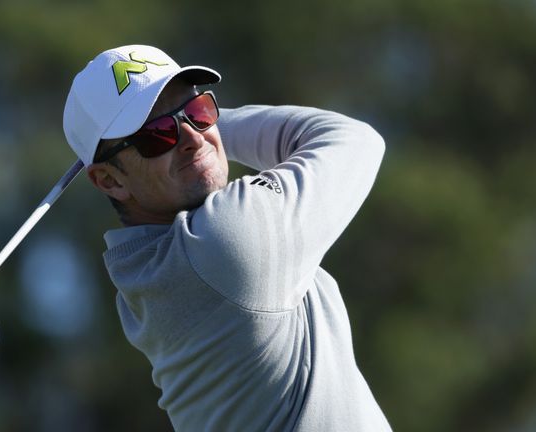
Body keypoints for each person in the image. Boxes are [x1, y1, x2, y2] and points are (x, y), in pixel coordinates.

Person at [63, 44, 391, 431]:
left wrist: (188, 129)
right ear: (109, 180)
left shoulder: (139, 277)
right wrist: (219, 129)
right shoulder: (226, 238)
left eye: (198, 111)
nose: (193, 137)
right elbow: (354, 139)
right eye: (156, 135)